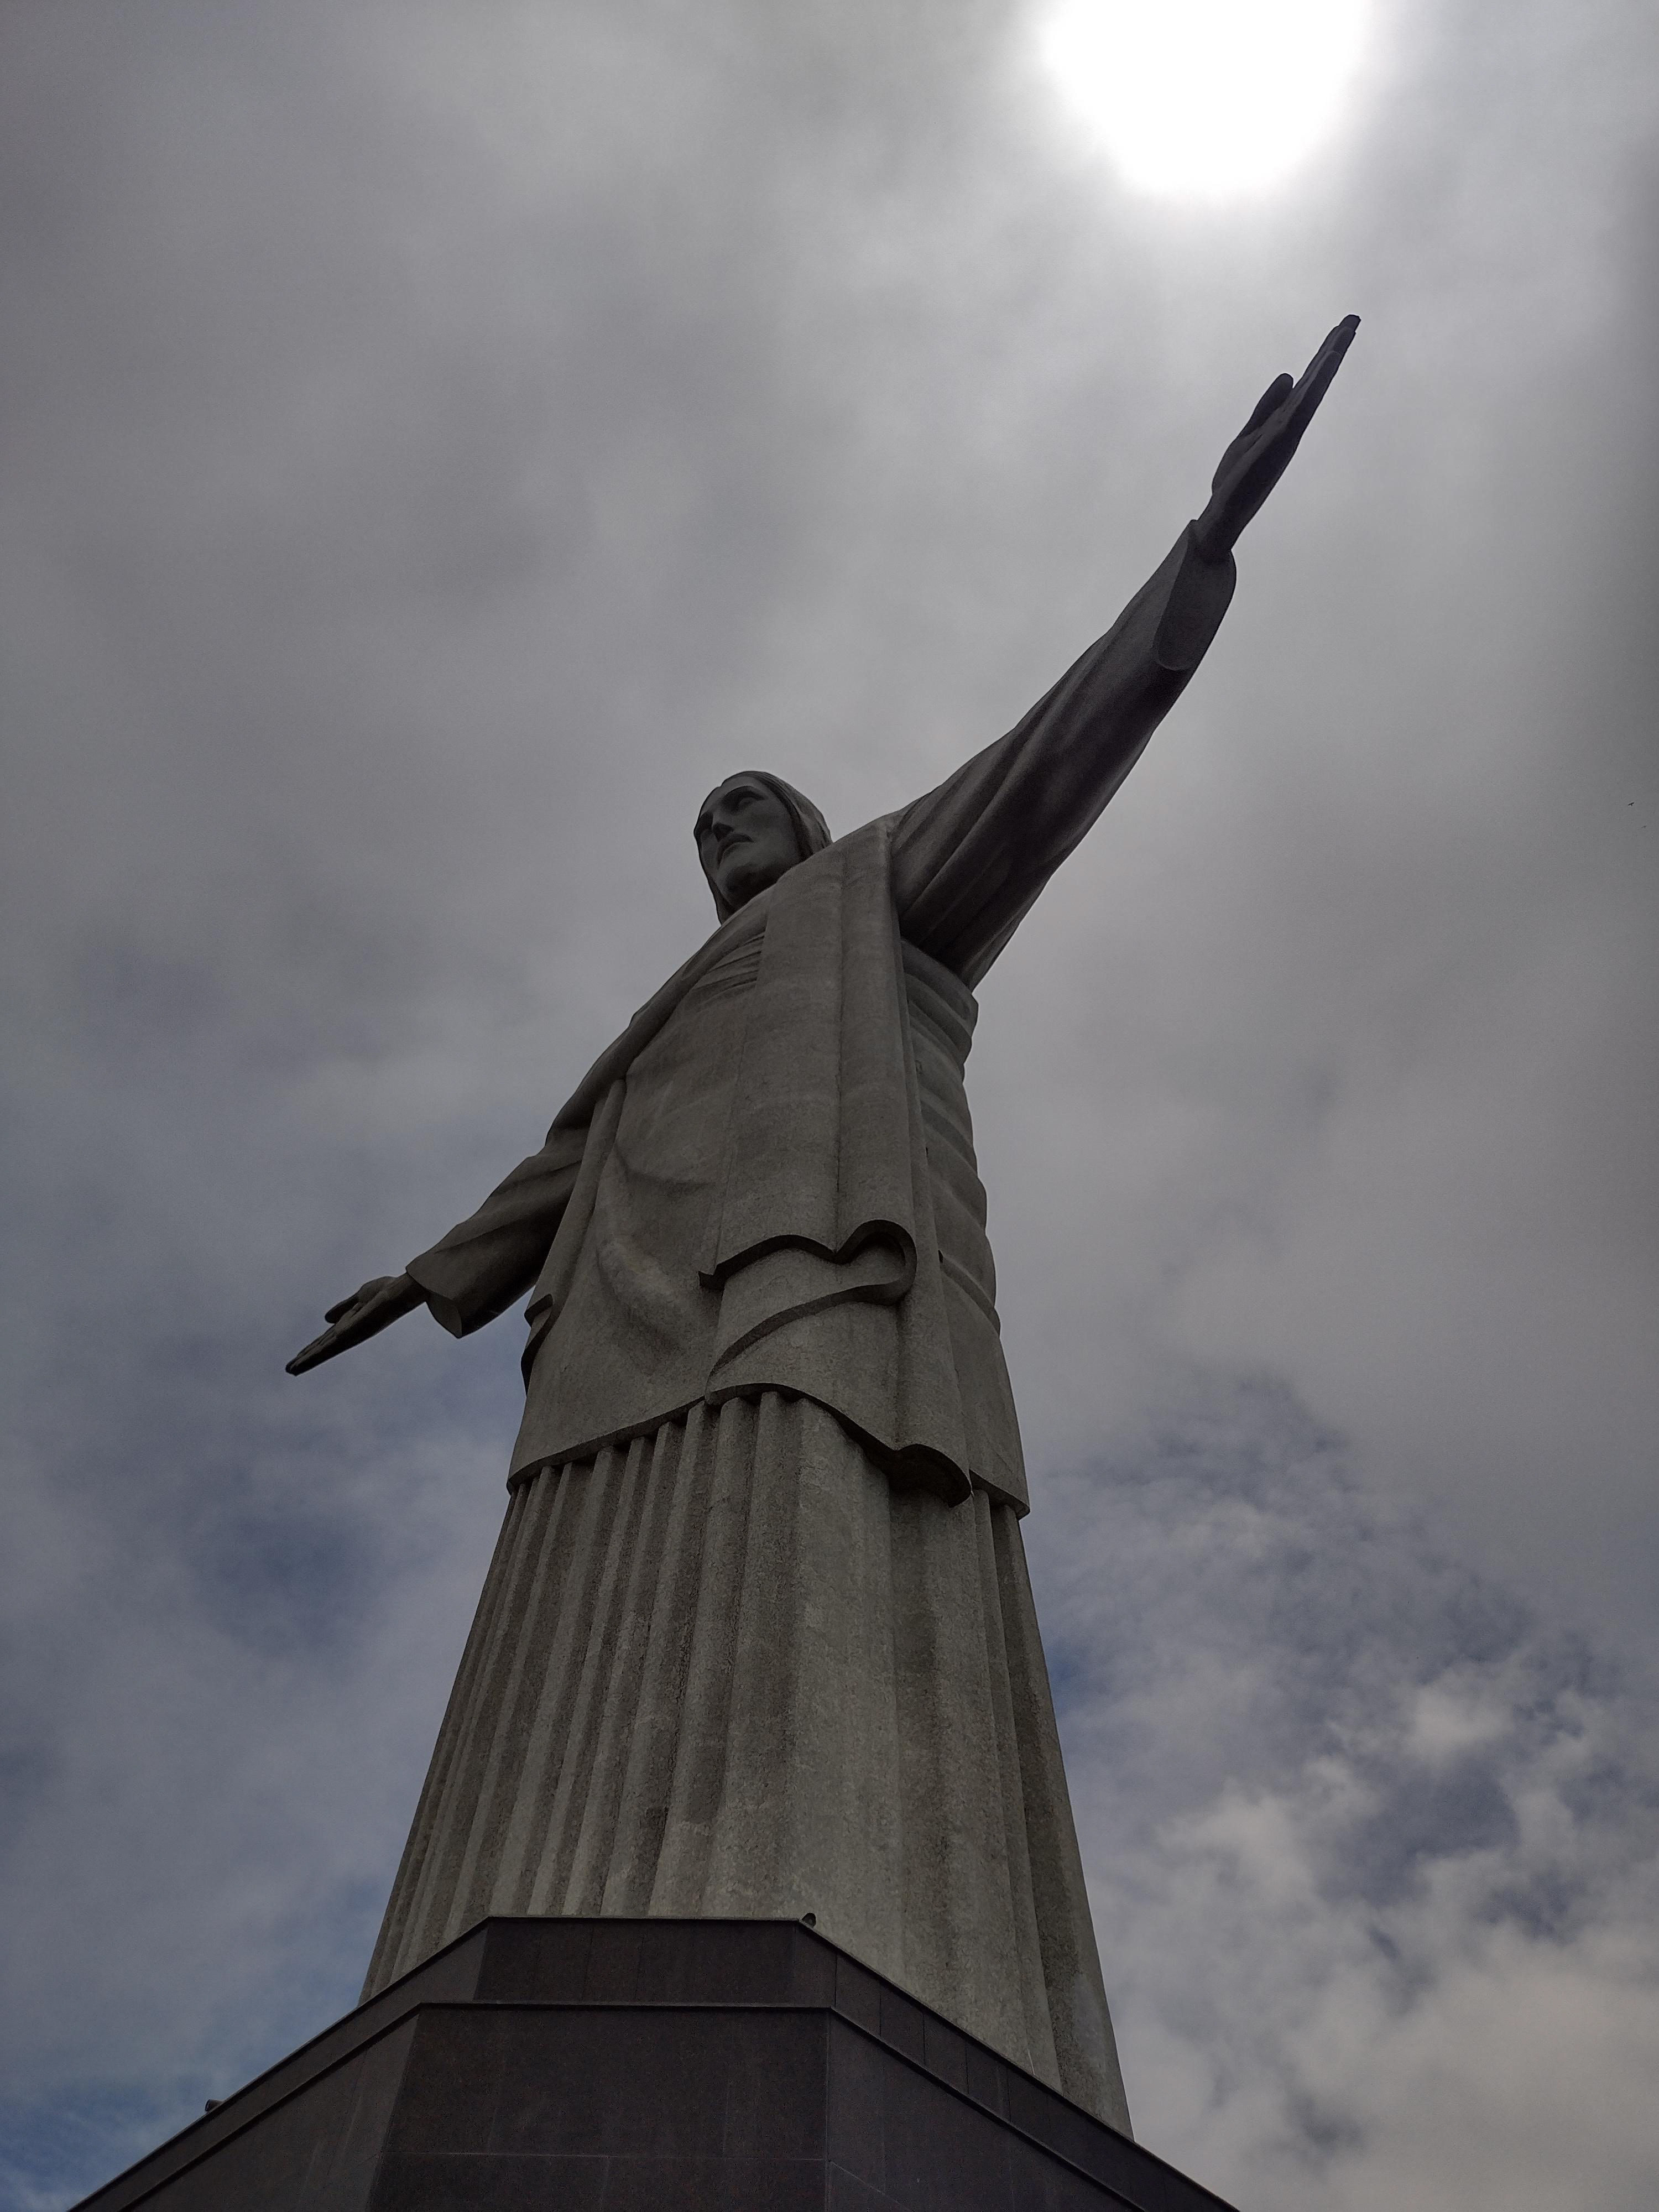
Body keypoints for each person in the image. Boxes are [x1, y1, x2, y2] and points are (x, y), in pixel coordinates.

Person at [289, 319, 1358, 2131]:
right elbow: (559, 1165)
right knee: (579, 1612)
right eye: (699, 821)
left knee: (796, 1539)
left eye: (744, 807)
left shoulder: (879, 893)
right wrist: (431, 1277)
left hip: (800, 1280)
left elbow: (1048, 761)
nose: (718, 831)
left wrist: (1200, 555)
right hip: (616, 1330)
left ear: (800, 826)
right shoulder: (662, 1017)